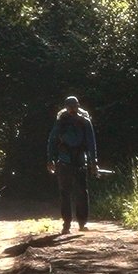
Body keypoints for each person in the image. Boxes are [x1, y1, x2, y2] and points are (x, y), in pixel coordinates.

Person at [45, 95, 98, 231]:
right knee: (69, 193)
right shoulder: (63, 121)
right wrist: (50, 159)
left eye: (74, 106)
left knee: (77, 193)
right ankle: (68, 223)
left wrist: (93, 162)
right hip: (67, 161)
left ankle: (78, 222)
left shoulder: (82, 121)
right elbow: (52, 140)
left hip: (76, 161)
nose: (72, 109)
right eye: (71, 107)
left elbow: (91, 144)